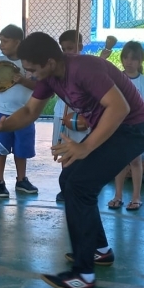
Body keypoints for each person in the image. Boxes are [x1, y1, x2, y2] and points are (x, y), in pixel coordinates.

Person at [0, 32, 144, 288]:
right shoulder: (49, 77)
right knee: (69, 180)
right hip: (113, 129)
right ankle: (100, 251)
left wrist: (85, 146)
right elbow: (29, 111)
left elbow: (120, 109)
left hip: (134, 130)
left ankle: (83, 276)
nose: (32, 76)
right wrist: (0, 125)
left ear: (50, 61)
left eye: (33, 70)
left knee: (80, 186)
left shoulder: (84, 69)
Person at [0, 24, 38, 198]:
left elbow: (38, 87)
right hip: (0, 113)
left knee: (21, 149)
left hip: (24, 114)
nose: (2, 44)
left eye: (5, 41)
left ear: (18, 42)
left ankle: (21, 179)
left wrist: (23, 81)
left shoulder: (30, 64)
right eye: (1, 40)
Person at [108, 42, 144, 211]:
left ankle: (136, 197)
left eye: (133, 59)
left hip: (137, 127)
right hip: (119, 125)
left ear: (141, 61)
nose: (128, 62)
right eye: (125, 58)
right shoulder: (116, 79)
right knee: (119, 162)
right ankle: (118, 195)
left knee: (136, 161)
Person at [52, 30, 90, 203]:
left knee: (81, 149)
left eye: (70, 48)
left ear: (80, 47)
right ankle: (64, 187)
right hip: (62, 112)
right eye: (63, 48)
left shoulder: (86, 65)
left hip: (82, 114)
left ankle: (78, 186)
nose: (66, 52)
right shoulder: (59, 67)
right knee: (64, 148)